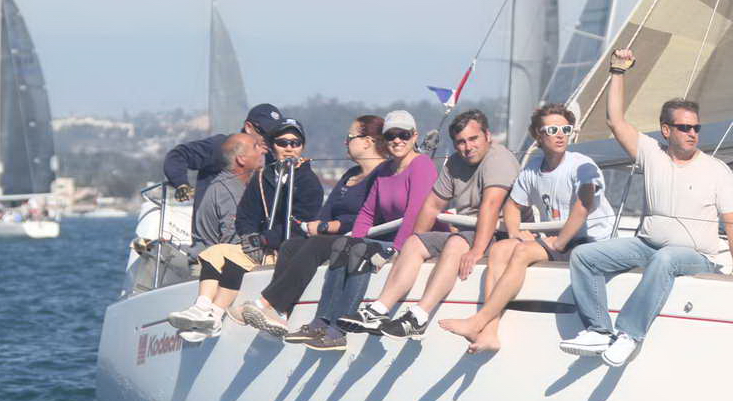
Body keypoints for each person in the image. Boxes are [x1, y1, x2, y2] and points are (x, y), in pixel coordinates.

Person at [561, 48, 733, 367]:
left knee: (666, 258)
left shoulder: (716, 170)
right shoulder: (651, 153)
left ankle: (629, 334)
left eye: (696, 128)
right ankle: (598, 330)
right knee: (584, 256)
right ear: (666, 130)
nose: (692, 134)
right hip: (647, 246)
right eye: (684, 128)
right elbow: (615, 120)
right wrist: (617, 71)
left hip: (696, 256)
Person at [256, 109, 439, 347]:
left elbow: (415, 213)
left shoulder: (422, 165)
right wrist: (353, 240)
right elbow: (367, 212)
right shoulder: (384, 170)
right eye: (390, 135)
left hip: (415, 241)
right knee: (344, 245)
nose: (397, 140)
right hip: (393, 239)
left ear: (414, 136)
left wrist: (396, 250)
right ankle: (321, 321)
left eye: (403, 135)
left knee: (359, 251)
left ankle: (339, 329)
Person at [438, 103, 612, 353]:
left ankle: (477, 321)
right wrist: (515, 233)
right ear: (538, 135)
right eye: (552, 130)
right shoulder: (533, 169)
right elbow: (512, 206)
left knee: (522, 252)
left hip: (589, 243)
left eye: (566, 129)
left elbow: (583, 206)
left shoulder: (582, 165)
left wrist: (559, 242)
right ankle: (490, 333)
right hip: (559, 241)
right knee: (501, 249)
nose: (560, 135)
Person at [338, 108, 518, 339]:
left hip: (497, 232)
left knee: (456, 242)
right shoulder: (455, 162)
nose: (468, 147)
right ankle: (378, 310)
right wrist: (416, 240)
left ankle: (419, 317)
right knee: (414, 242)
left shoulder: (499, 159)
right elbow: (432, 205)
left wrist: (476, 251)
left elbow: (491, 206)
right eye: (461, 142)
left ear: (488, 136)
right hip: (466, 230)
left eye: (473, 139)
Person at [237, 114, 388, 342]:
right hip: (334, 237)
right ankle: (281, 315)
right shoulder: (350, 175)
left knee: (316, 244)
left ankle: (267, 303)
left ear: (367, 142)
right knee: (291, 245)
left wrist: (328, 226)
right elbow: (326, 210)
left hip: (357, 238)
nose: (345, 142)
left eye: (349, 138)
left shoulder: (382, 175)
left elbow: (372, 216)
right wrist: (317, 225)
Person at [166, 132, 267, 341]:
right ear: (241, 159)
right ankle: (210, 312)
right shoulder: (229, 191)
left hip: (216, 255)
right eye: (256, 147)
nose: (263, 150)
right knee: (226, 253)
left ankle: (202, 311)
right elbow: (236, 242)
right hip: (214, 261)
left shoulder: (240, 184)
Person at [162, 102, 282, 234]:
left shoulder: (272, 159)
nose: (269, 140)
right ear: (248, 127)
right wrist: (181, 184)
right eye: (265, 133)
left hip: (253, 234)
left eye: (275, 135)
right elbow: (178, 155)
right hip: (214, 236)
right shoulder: (222, 147)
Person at [234, 117, 325, 257]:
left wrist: (265, 239)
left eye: (295, 143)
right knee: (215, 255)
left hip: (294, 252)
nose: (289, 148)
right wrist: (250, 238)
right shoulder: (261, 176)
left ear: (302, 147)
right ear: (271, 146)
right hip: (257, 248)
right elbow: (246, 215)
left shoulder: (310, 182)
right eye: (282, 143)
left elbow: (301, 224)